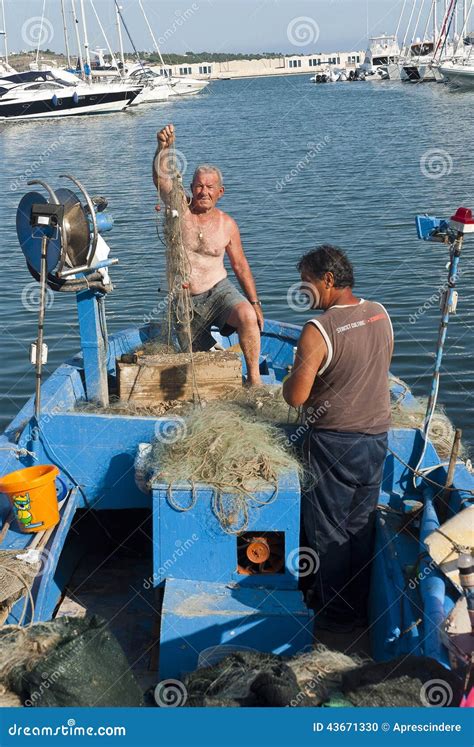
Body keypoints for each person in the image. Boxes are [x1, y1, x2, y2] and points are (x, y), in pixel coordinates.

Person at [282, 245, 393, 632]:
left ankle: (337, 615)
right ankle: (359, 605)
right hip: (377, 437)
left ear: (328, 281)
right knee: (359, 527)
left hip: (334, 443)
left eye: (306, 283)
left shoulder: (318, 331)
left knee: (327, 529)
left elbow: (296, 396)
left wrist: (287, 382)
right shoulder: (380, 313)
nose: (303, 291)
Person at [153, 123, 263, 386]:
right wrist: (161, 149)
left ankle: (255, 379)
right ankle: (210, 349)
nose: (204, 192)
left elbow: (240, 265)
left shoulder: (227, 224)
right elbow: (161, 180)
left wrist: (255, 303)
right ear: (191, 188)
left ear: (220, 192)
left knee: (247, 316)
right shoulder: (181, 209)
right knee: (200, 361)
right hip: (184, 297)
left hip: (219, 291)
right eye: (199, 186)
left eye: (210, 187)